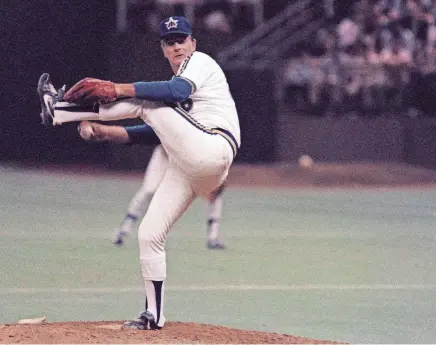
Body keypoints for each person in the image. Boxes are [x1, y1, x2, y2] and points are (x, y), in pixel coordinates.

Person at [36, 15, 240, 330]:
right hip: (191, 166)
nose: (177, 47)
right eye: (170, 42)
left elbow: (171, 91)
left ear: (193, 43)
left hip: (214, 146)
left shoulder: (200, 62)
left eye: (181, 40)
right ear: (162, 49)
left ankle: (59, 111)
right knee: (150, 233)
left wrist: (116, 88)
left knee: (147, 101)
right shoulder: (179, 99)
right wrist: (105, 132)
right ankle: (153, 316)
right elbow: (154, 132)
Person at [77, 120, 226, 250]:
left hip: (186, 162)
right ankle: (123, 230)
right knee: (149, 190)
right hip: (164, 155)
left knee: (215, 194)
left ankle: (213, 238)